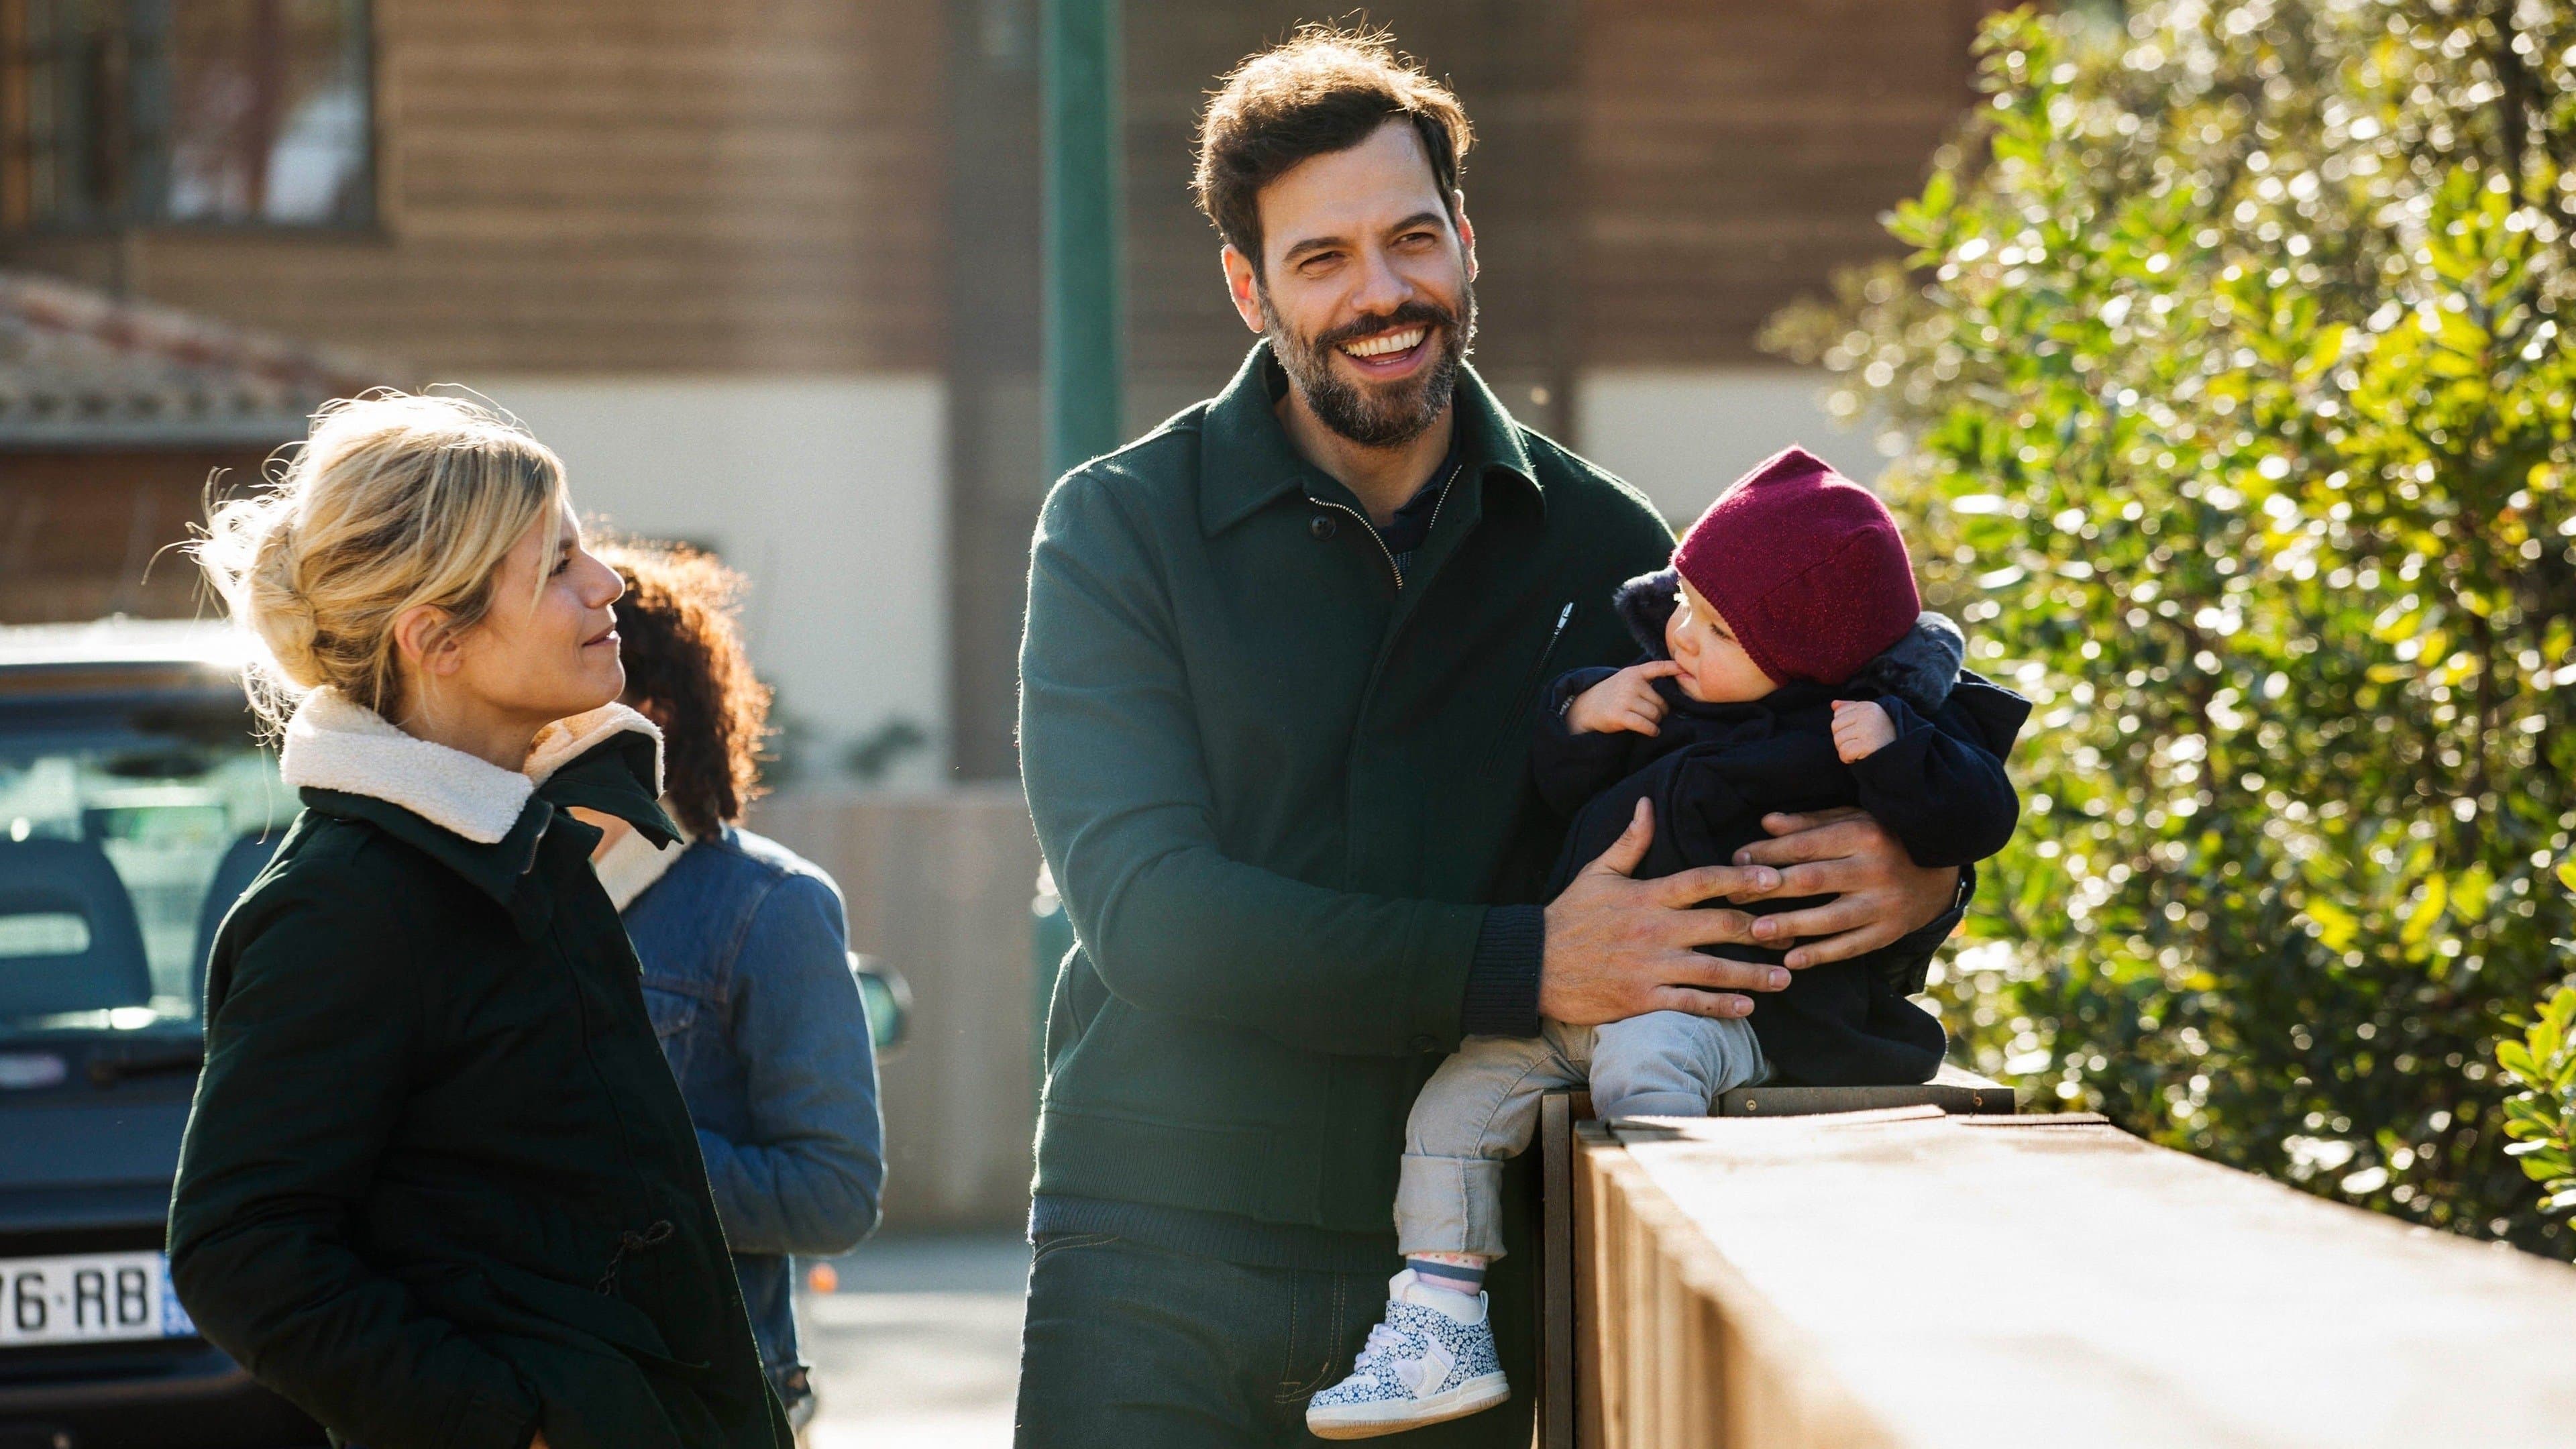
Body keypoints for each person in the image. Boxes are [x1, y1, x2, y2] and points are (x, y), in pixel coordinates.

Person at [1013, 28, 1974, 1448]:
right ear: (1247, 286)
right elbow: (1151, 918)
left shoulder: (1614, 548)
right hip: (1154, 1250)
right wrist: (1532, 960)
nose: (1382, 293)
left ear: (1468, 238)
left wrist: (1920, 879)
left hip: (1470, 1277)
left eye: (1413, 238)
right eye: (1321, 257)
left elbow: (1766, 798)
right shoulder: (1115, 531)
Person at [1304, 447, 2030, 1437]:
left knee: (1647, 1078)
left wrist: (1896, 762)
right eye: (1685, 598)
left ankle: (1695, 1285)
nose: (1682, 632)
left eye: (1719, 628)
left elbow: (1976, 814)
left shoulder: (1853, 732)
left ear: (1803, 662)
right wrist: (1580, 717)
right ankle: (1439, 1323)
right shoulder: (1671, 692)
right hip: (1567, 1003)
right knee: (1455, 1107)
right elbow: (1561, 792)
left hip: (1722, 1011)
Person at [169, 393, 792, 1449]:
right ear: (435, 641)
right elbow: (241, 1249)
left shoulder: (523, 845)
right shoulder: (342, 905)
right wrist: (515, 1431)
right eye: (555, 563)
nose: (608, 585)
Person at [574, 542, 885, 1433]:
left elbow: (834, 1194)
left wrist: (607, 1157)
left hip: (707, 1406)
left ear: (653, 711)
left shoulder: (770, 909)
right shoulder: (503, 892)